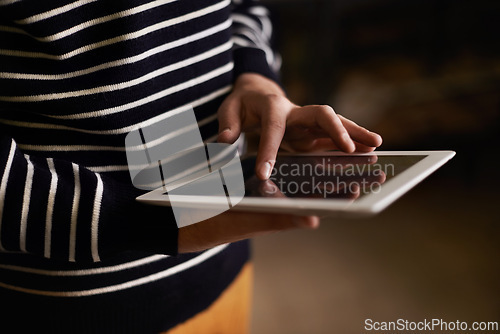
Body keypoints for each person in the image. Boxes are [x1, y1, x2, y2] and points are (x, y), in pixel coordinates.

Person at [0, 0, 382, 333]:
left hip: (224, 265)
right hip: (82, 303)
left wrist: (256, 78)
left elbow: (245, 6)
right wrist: (152, 222)